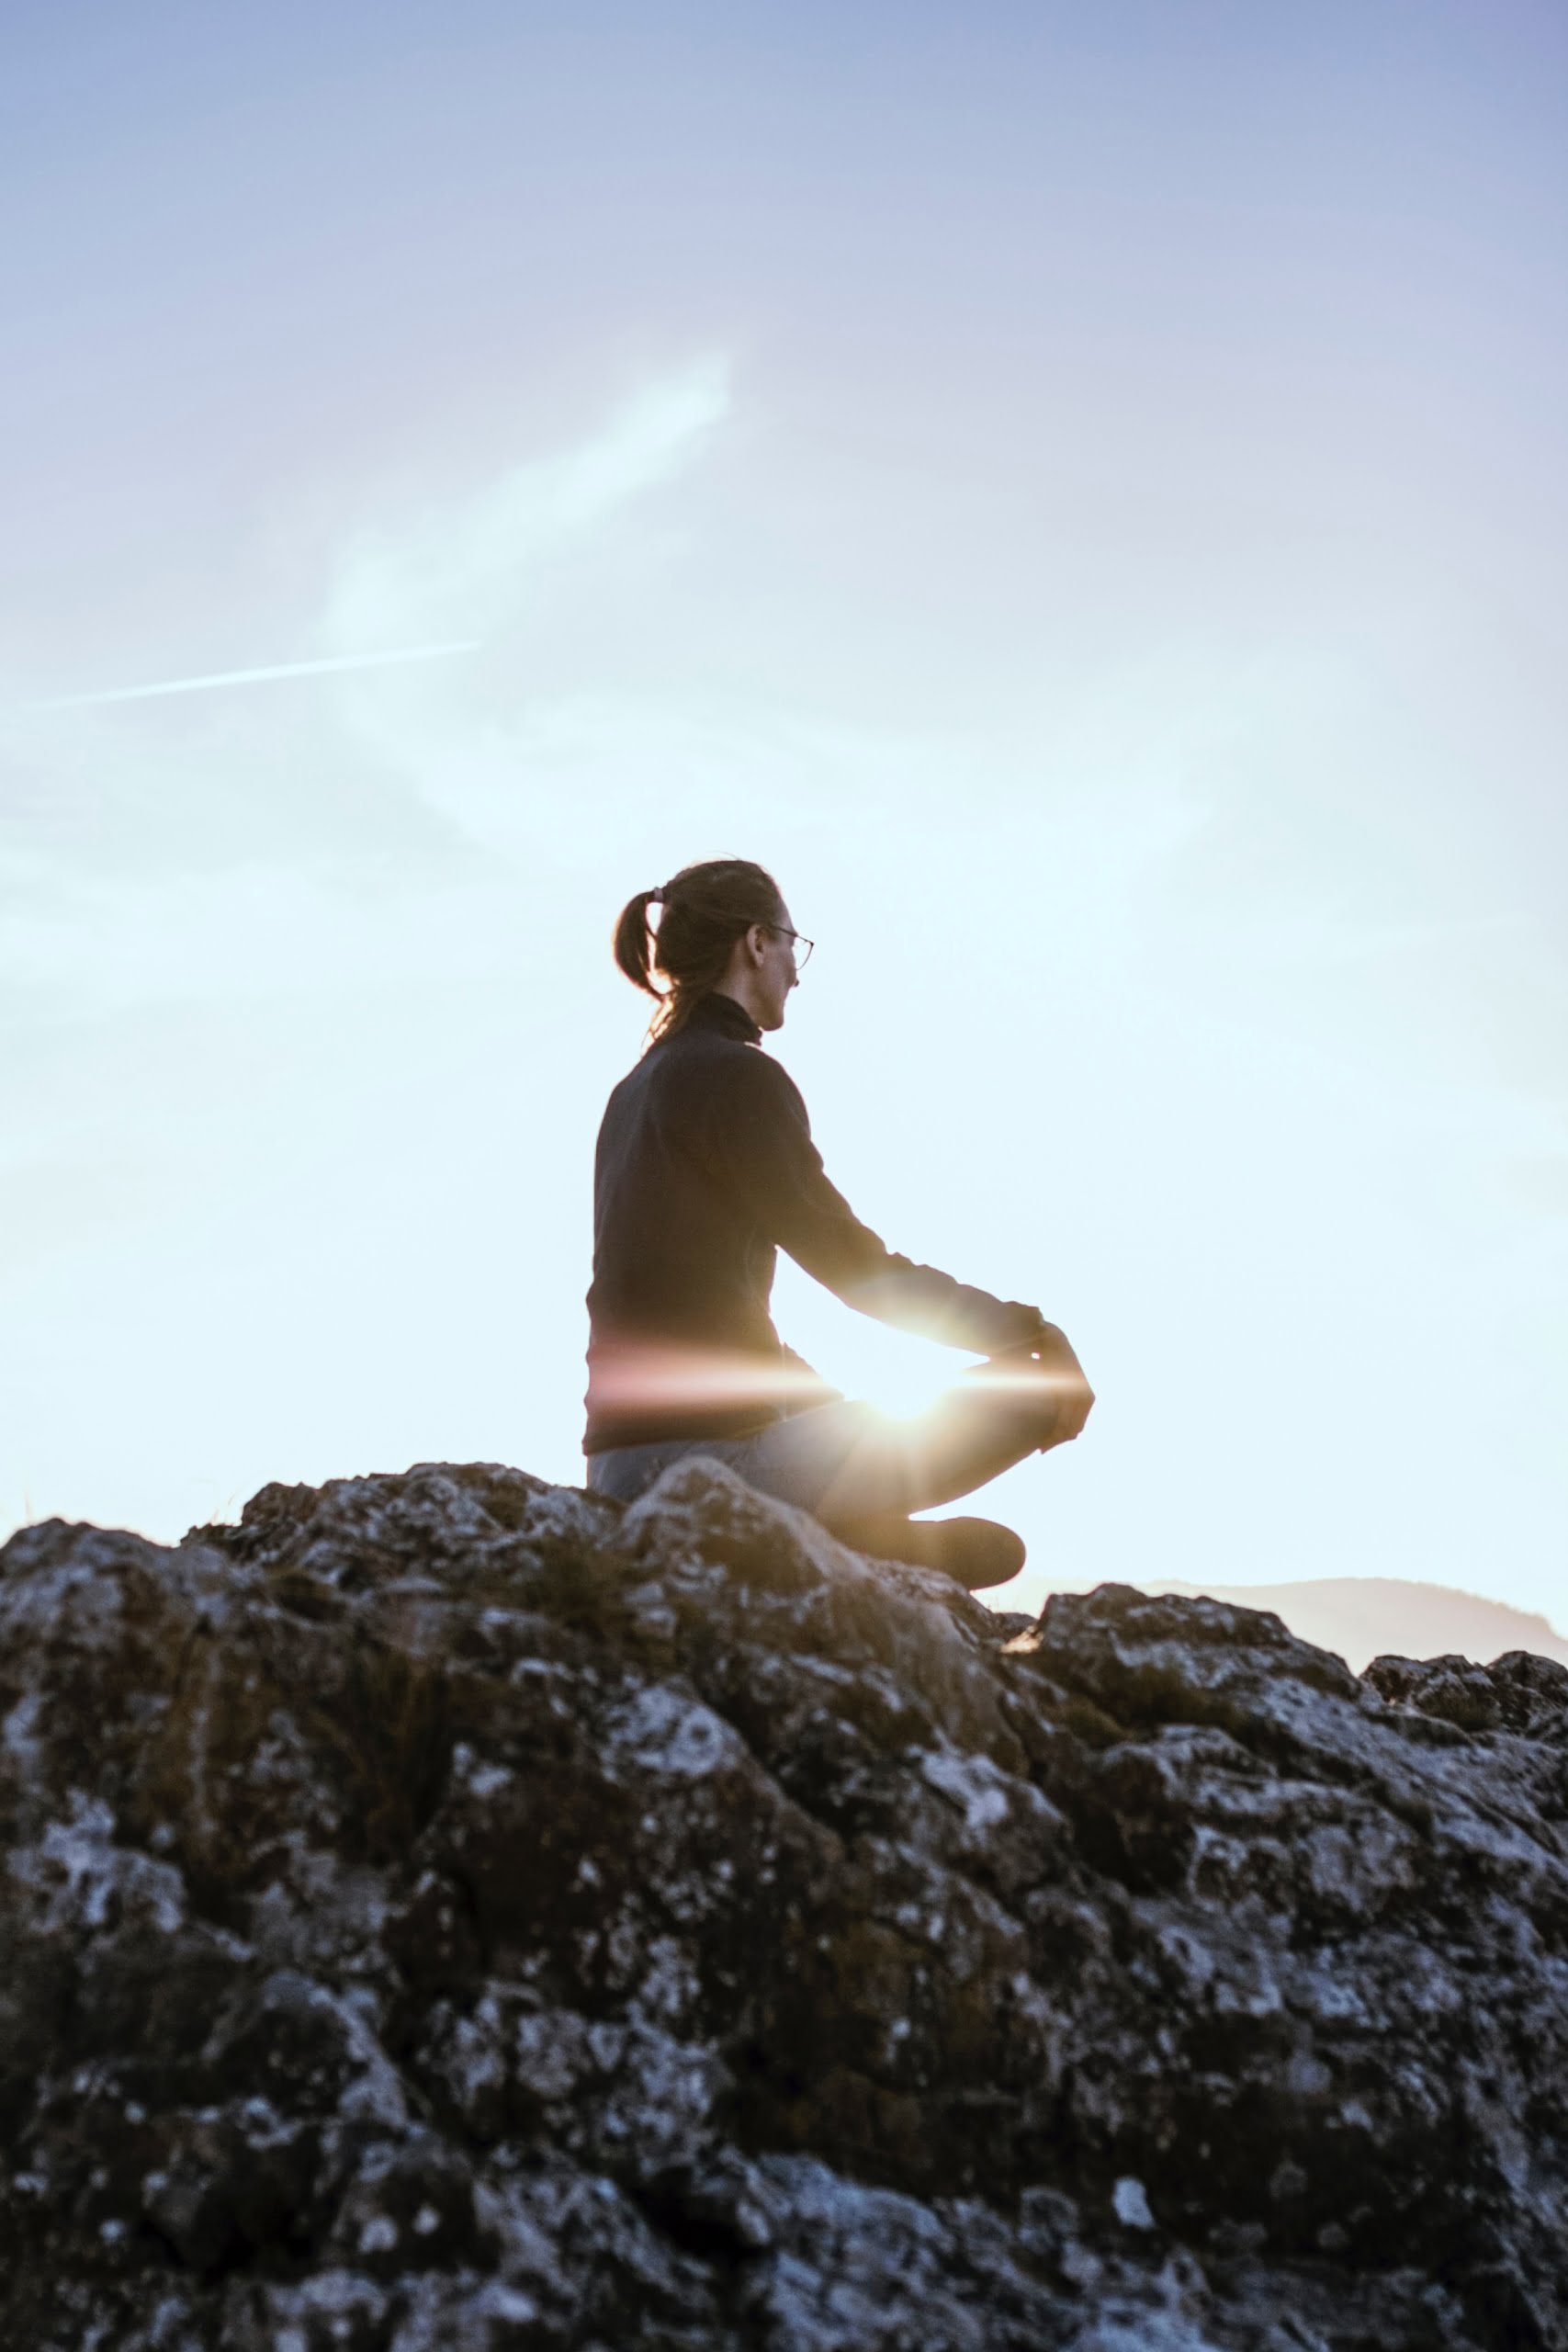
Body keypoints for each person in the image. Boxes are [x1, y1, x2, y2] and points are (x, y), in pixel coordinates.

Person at [582, 857, 1093, 1589]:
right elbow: (856, 1270)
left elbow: (680, 1306)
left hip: (616, 1470)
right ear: (757, 943)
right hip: (701, 1472)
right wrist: (1027, 1333)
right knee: (1037, 1389)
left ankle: (844, 1540)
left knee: (848, 1421)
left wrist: (820, 1405)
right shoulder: (735, 1075)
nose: (796, 972)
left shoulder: (634, 1089)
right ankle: (843, 1544)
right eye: (792, 944)